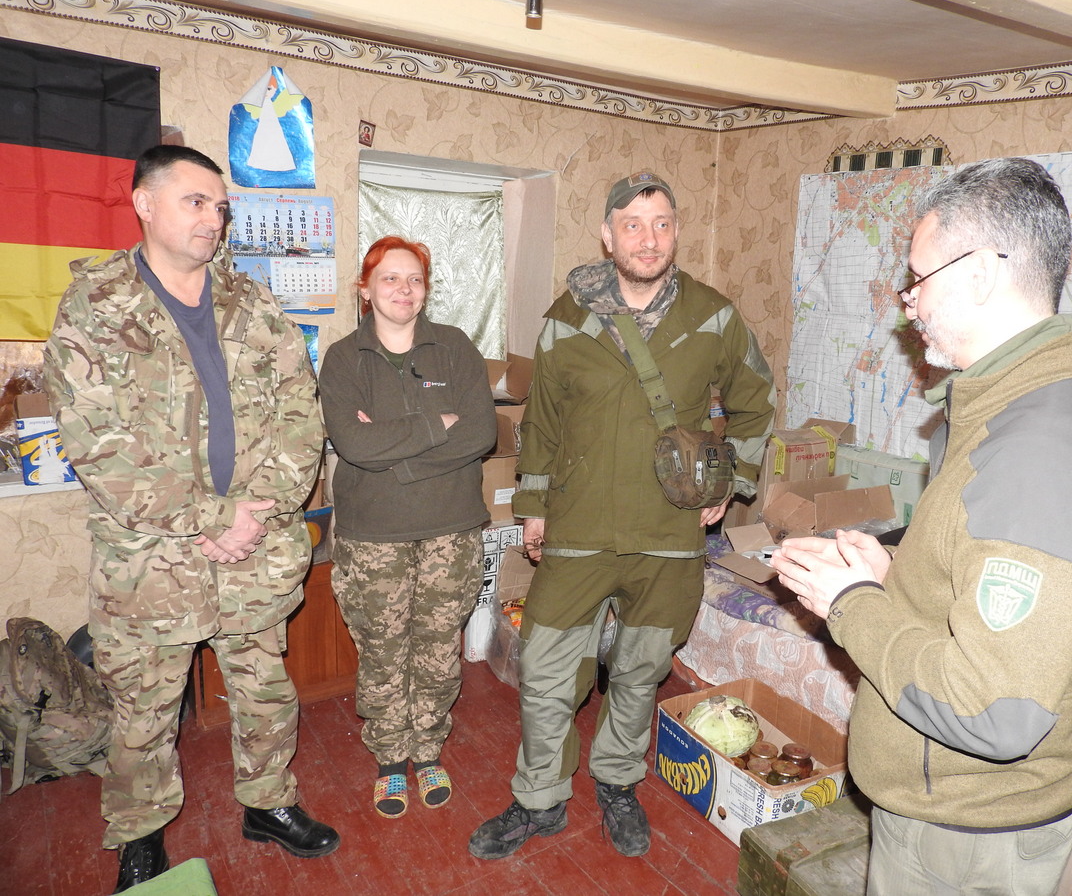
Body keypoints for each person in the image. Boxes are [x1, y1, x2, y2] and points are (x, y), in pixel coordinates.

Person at [770, 157, 1072, 896]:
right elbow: (980, 591)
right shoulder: (1011, 408)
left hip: (966, 840)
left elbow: (992, 710)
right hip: (953, 817)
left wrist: (851, 605)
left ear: (978, 275)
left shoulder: (1043, 450)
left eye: (918, 279)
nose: (907, 302)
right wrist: (896, 578)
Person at [43, 145, 338, 893]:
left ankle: (269, 804)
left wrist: (257, 512)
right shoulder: (96, 306)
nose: (214, 218)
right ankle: (140, 835)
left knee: (263, 688)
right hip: (152, 559)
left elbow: (301, 412)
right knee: (144, 710)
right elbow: (96, 445)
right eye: (195, 201)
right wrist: (209, 518)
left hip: (255, 545)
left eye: (220, 206)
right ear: (144, 204)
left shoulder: (252, 302)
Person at [469, 171, 775, 860]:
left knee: (640, 671)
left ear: (676, 232)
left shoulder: (713, 315)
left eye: (661, 223)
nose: (649, 238)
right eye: (633, 225)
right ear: (607, 236)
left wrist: (734, 480)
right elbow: (542, 421)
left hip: (669, 533)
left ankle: (616, 781)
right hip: (578, 530)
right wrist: (534, 507)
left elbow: (756, 399)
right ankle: (539, 798)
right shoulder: (567, 317)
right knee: (546, 671)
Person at [318, 236, 496, 818]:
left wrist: (398, 458)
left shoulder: (455, 347)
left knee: (439, 651)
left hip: (452, 530)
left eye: (415, 279)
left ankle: (428, 750)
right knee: (383, 652)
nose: (404, 289)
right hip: (373, 536)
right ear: (365, 289)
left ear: (426, 289)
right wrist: (437, 423)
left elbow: (482, 432)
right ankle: (391, 759)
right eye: (390, 278)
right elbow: (354, 443)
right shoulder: (343, 358)